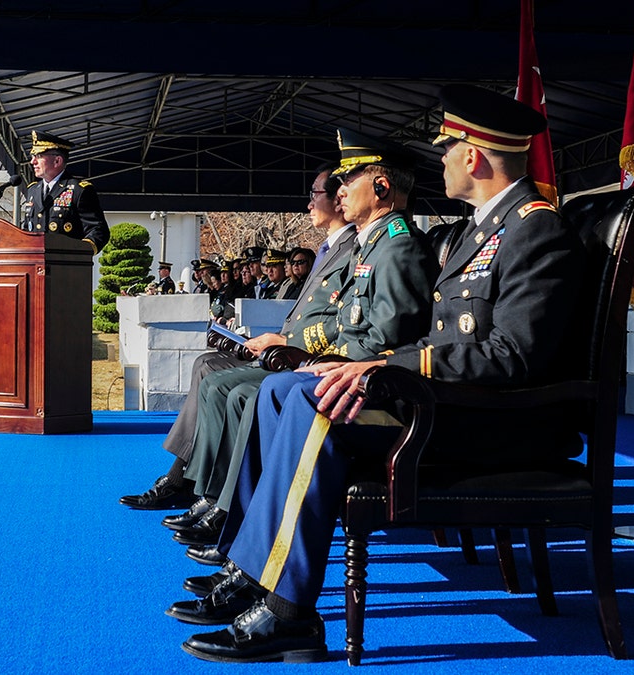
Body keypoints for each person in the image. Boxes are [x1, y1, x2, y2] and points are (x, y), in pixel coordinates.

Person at [179, 85, 578, 664]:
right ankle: (252, 571)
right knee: (286, 388)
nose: (439, 159)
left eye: (447, 148)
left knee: (320, 406)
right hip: (449, 399)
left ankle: (289, 612)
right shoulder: (478, 230)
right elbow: (443, 336)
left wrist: (386, 366)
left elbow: (513, 356)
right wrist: (374, 365)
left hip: (493, 417)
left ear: (473, 156)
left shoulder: (536, 229)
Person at [166, 130, 437, 552]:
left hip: (377, 389)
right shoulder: (374, 247)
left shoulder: (398, 247)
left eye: (350, 182)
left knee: (259, 393)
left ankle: (242, 528)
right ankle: (236, 519)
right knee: (243, 388)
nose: (340, 192)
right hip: (342, 368)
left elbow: (385, 337)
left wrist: (317, 359)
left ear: (381, 187)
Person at [120, 162, 358, 509]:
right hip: (287, 348)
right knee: (205, 362)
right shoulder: (329, 249)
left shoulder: (352, 249)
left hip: (307, 360)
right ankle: (183, 477)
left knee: (218, 382)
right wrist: (276, 337)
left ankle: (205, 489)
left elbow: (338, 321)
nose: (308, 205)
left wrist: (285, 344)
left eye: (314, 195)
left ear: (338, 200)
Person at [19, 131, 110, 254]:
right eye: (32, 156)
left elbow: (98, 230)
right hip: (35, 265)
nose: (32, 162)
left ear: (57, 161)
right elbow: (27, 229)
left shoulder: (79, 190)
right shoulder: (33, 190)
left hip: (66, 268)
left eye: (38, 156)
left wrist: (81, 254)